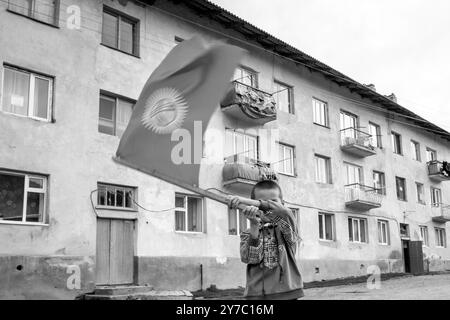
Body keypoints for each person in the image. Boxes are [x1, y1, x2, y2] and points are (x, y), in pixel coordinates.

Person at [228, 180, 304, 300]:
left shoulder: (286, 228)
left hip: (287, 294)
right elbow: (250, 258)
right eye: (260, 203)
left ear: (282, 203)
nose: (265, 208)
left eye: (273, 201)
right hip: (256, 296)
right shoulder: (248, 232)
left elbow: (284, 212)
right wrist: (254, 225)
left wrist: (247, 201)